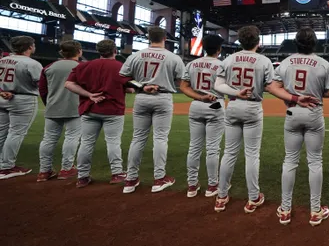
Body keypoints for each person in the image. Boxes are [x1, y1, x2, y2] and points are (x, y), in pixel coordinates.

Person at [213, 25, 316, 214]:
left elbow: (218, 85)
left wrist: (236, 92)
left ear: (240, 41)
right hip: (252, 106)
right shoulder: (264, 61)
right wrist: (292, 95)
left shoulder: (228, 59)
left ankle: (220, 196)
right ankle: (253, 198)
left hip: (233, 105)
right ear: (258, 42)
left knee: (228, 152)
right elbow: (271, 87)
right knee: (252, 155)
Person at [272, 28, 329, 226]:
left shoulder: (286, 62)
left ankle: (285, 210)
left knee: (290, 160)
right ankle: (315, 211)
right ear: (314, 43)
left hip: (292, 111)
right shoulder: (323, 64)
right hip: (314, 113)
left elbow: (273, 87)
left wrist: (295, 97)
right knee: (315, 162)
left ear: (296, 43)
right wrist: (314, 93)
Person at [120, 26, 185, 194]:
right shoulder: (173, 57)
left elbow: (123, 78)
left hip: (141, 97)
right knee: (160, 138)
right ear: (164, 38)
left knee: (138, 138)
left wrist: (142, 85)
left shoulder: (135, 55)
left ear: (149, 37)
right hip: (163, 97)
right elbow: (181, 81)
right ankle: (159, 178)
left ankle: (130, 180)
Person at [65, 39, 132, 187]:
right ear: (115, 51)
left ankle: (82, 176)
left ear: (98, 51)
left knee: (86, 143)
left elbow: (69, 84)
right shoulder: (120, 67)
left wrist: (89, 94)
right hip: (113, 109)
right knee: (113, 142)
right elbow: (131, 88)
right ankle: (116, 173)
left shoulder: (85, 65)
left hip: (90, 108)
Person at [180, 34, 225, 198]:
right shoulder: (222, 65)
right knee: (213, 148)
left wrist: (199, 96)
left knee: (194, 147)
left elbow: (184, 86)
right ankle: (212, 186)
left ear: (205, 47)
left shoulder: (192, 64)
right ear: (219, 49)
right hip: (215, 104)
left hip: (196, 105)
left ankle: (192, 185)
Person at [37, 40, 83, 182]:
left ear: (62, 52)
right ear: (79, 51)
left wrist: (48, 104)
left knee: (48, 139)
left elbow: (43, 90)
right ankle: (66, 168)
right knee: (72, 138)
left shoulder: (49, 67)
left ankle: (44, 171)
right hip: (75, 107)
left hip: (53, 107)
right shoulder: (82, 67)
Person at [0, 36, 42, 179]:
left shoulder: (2, 60)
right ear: (30, 47)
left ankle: (3, 164)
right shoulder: (32, 63)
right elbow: (41, 84)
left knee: (1, 132)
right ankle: (7, 167)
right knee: (16, 133)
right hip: (23, 99)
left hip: (2, 96)